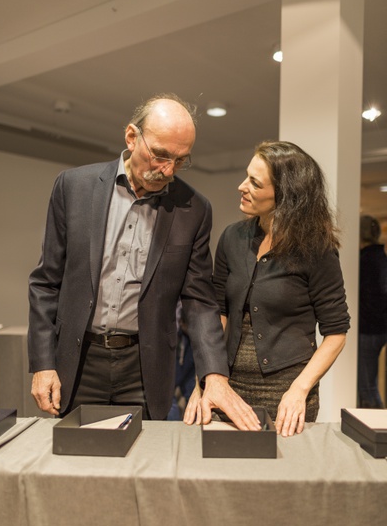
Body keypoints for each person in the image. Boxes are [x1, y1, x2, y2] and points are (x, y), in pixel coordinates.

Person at [28, 93, 260, 430]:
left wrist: (215, 375)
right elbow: (45, 283)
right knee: (78, 456)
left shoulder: (194, 209)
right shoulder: (74, 187)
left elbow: (199, 300)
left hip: (145, 367)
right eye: (161, 155)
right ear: (131, 137)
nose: (167, 170)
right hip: (78, 362)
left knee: (144, 457)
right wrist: (42, 363)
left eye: (180, 160)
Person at [208, 140, 350, 437]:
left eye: (255, 183)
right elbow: (219, 312)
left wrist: (299, 390)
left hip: (287, 393)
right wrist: (208, 378)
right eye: (247, 176)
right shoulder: (232, 237)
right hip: (229, 387)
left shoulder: (317, 249)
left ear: (286, 195)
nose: (242, 186)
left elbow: (336, 333)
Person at [357, 215, 387, 408]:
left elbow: (371, 295)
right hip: (379, 326)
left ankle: (378, 424)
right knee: (369, 385)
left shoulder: (365, 260)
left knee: (367, 387)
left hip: (369, 329)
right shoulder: (382, 257)